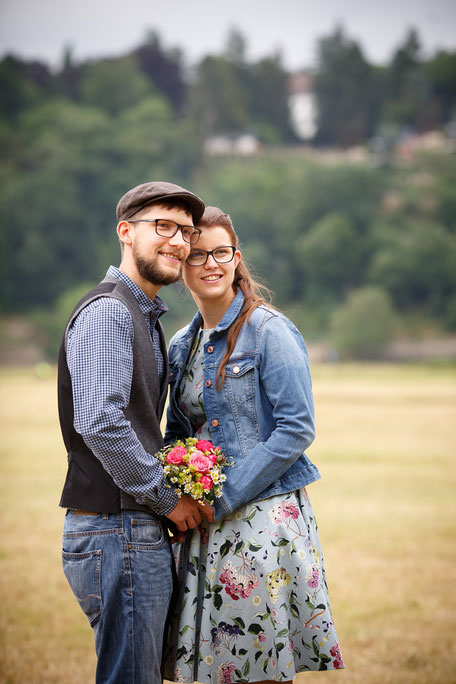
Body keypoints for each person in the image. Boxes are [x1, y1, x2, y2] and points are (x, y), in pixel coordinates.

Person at [164, 207, 344, 683]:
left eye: (220, 252)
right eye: (197, 255)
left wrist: (220, 495)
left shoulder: (269, 330)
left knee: (260, 666)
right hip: (203, 525)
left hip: (260, 518)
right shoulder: (182, 344)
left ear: (236, 257)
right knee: (212, 668)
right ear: (182, 265)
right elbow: (177, 434)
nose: (210, 264)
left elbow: (296, 428)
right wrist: (177, 496)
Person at [58, 181, 214, 684]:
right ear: (126, 232)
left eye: (185, 232)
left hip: (125, 529)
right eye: (162, 227)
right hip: (116, 529)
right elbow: (101, 423)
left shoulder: (145, 317)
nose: (178, 242)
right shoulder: (109, 312)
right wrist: (169, 499)